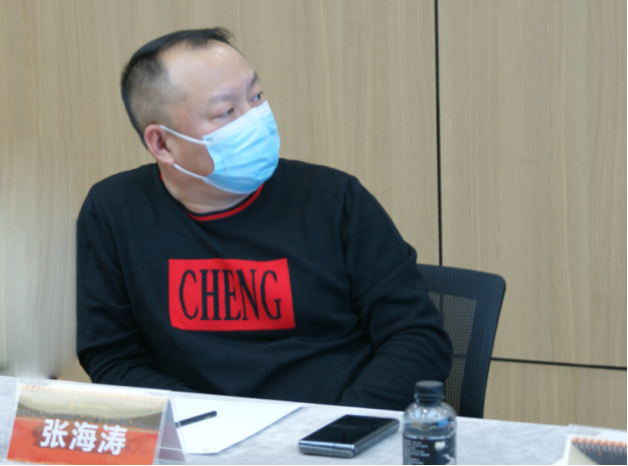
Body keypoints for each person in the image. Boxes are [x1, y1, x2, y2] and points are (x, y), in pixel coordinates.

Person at [76, 27, 452, 410]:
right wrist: (209, 423)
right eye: (226, 111)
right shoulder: (114, 212)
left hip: (334, 425)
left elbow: (418, 338)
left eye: (256, 97)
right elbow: (113, 359)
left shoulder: (335, 199)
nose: (254, 118)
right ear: (162, 143)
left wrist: (341, 426)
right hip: (201, 433)